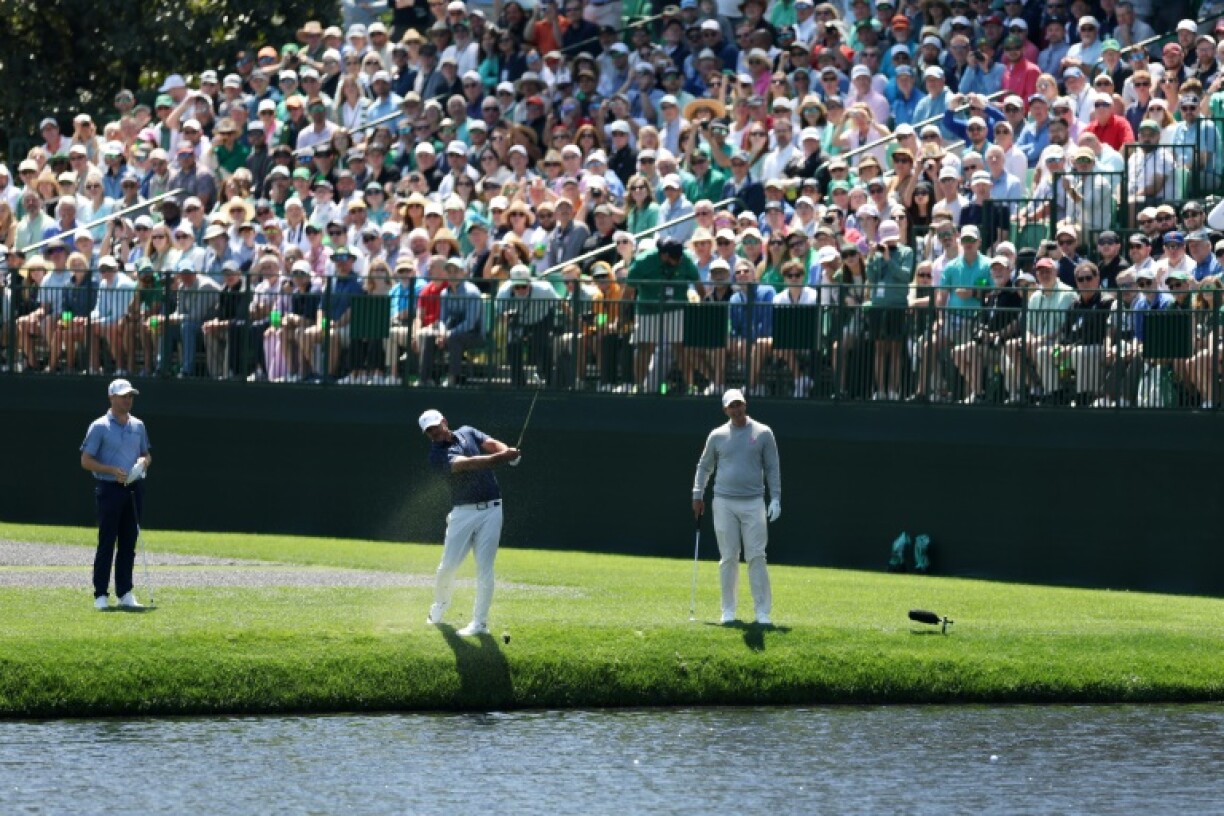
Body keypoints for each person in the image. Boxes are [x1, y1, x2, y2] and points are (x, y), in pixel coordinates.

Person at [419, 409, 520, 637]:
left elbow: (491, 443)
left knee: (485, 568)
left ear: (444, 421)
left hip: (492, 509)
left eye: (436, 427)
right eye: (429, 432)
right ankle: (440, 605)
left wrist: (508, 452)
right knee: (447, 567)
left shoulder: (467, 432)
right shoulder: (437, 456)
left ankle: (480, 623)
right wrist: (502, 459)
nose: (434, 433)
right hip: (463, 513)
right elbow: (470, 463)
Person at [691, 388, 782, 626]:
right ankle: (728, 611)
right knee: (729, 557)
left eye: (739, 404)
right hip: (723, 502)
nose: (737, 409)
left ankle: (762, 613)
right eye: (732, 406)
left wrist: (776, 499)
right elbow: (704, 467)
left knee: (757, 556)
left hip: (753, 501)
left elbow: (772, 467)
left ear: (745, 404)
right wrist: (697, 494)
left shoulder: (763, 433)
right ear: (725, 410)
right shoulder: (717, 435)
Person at [79, 379, 152, 611]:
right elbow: (86, 460)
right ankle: (100, 594)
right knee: (107, 542)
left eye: (130, 396)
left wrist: (143, 462)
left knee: (129, 542)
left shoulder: (138, 426)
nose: (127, 399)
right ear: (111, 397)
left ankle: (125, 592)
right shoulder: (99, 426)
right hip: (109, 489)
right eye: (123, 396)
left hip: (133, 489)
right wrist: (111, 470)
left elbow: (146, 454)